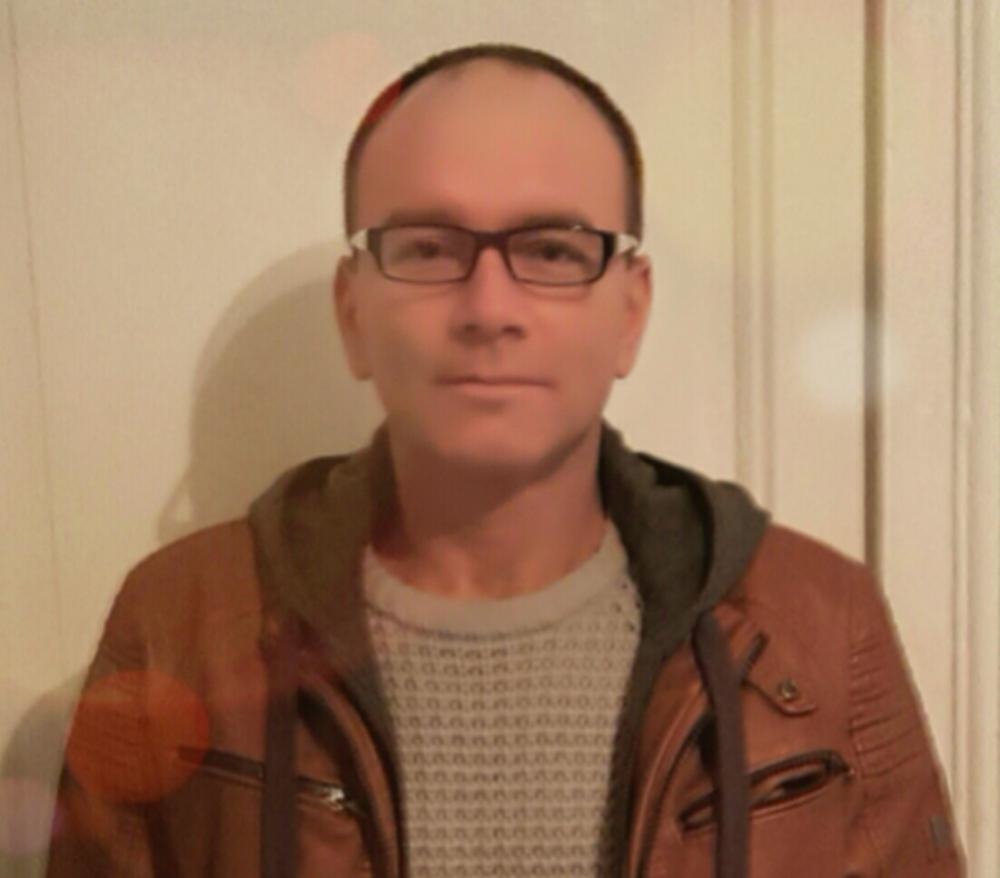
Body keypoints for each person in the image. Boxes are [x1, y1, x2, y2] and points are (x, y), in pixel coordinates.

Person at [46, 43, 961, 877]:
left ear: (630, 312)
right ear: (353, 311)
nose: (489, 308)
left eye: (554, 250)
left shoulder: (820, 624)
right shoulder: (176, 622)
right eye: (428, 248)